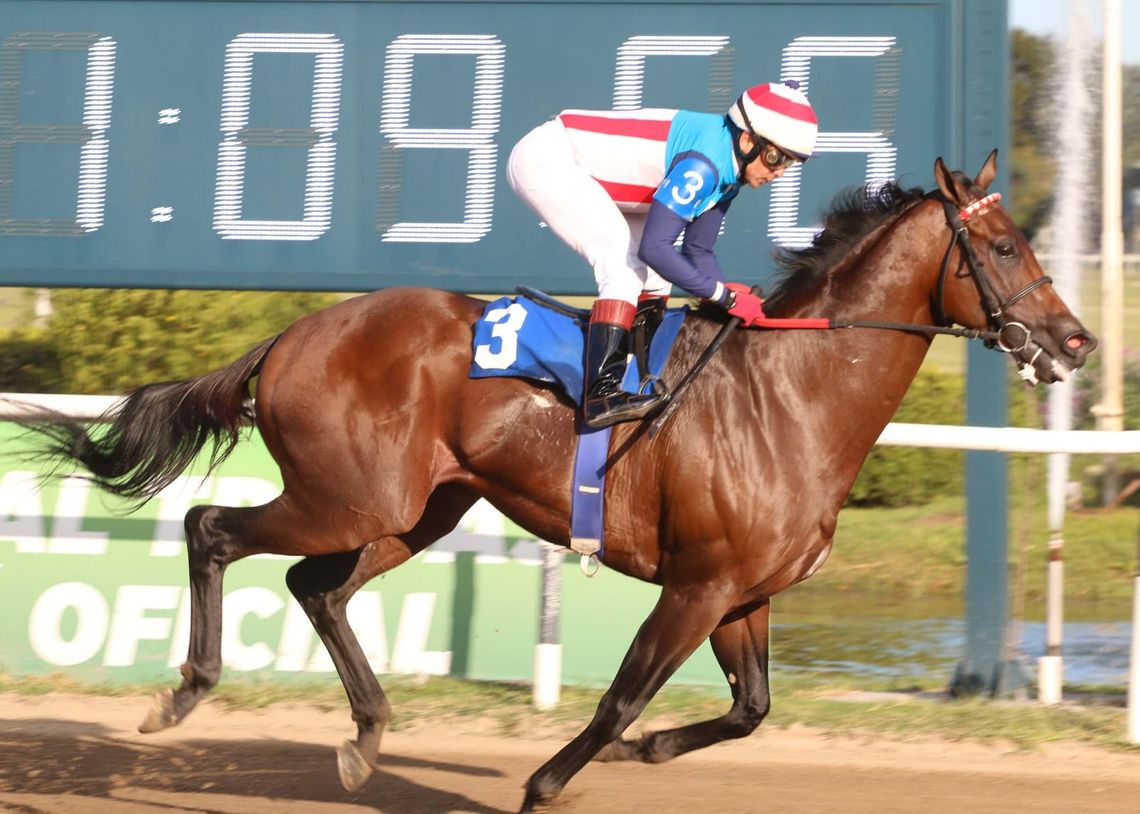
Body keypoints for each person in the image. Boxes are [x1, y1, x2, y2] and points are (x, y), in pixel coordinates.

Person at [507, 81, 819, 429]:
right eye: (776, 158)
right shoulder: (704, 166)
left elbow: (697, 250)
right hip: (547, 160)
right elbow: (655, 248)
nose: (779, 172)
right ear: (748, 140)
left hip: (585, 171)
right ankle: (601, 393)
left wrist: (724, 297)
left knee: (654, 278)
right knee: (623, 266)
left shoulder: (729, 174)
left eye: (790, 163)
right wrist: (724, 297)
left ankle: (639, 374)